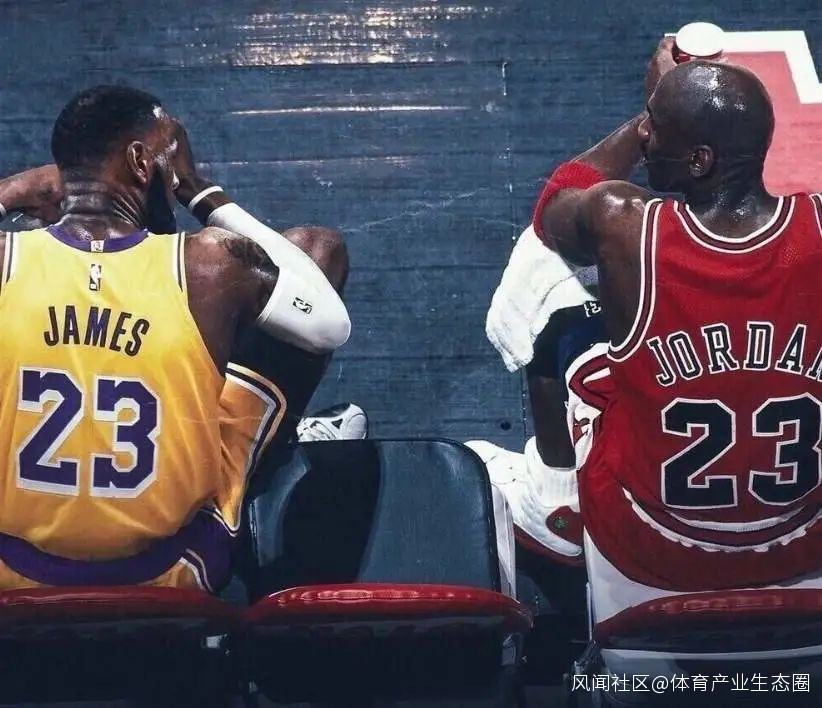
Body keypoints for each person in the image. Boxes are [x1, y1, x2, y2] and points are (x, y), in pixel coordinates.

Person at [482, 39, 822, 593]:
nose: (645, 135)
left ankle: (554, 500)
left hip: (654, 538)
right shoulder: (818, 224)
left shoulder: (624, 222)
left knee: (544, 275)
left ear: (699, 161)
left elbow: (554, 206)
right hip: (799, 535)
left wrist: (650, 103)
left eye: (656, 128)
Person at [0, 85, 352, 592]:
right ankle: (275, 434)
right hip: (169, 572)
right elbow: (330, 324)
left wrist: (11, 191)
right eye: (176, 149)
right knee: (316, 248)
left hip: (16, 576)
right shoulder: (211, 264)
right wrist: (197, 188)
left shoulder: (7, 259)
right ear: (141, 161)